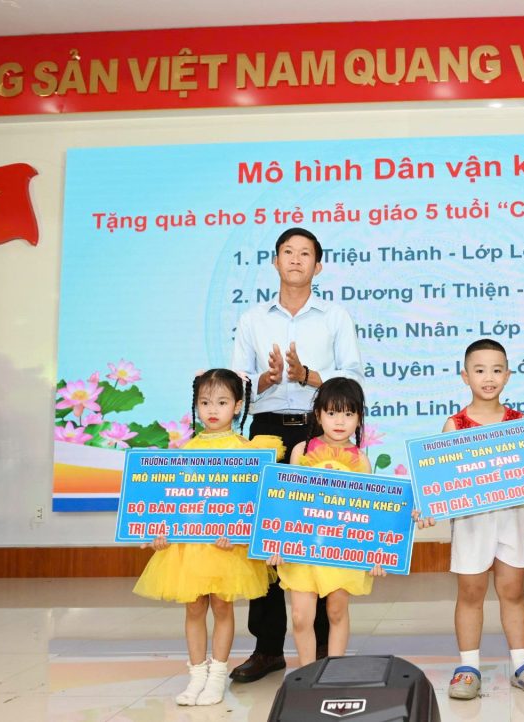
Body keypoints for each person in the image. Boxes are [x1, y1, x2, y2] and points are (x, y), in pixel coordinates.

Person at [230, 226, 362, 682]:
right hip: (267, 430)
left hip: (318, 429)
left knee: (321, 533)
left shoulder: (335, 317)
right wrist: (262, 382)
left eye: (305, 253)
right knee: (267, 536)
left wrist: (308, 376)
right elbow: (235, 383)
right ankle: (267, 648)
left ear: (317, 266)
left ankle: (322, 647)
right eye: (288, 252)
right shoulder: (252, 319)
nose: (296, 259)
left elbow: (353, 377)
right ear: (275, 261)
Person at [416, 339, 524, 700]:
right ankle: (469, 668)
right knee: (470, 593)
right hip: (470, 523)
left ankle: (522, 664)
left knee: (513, 591)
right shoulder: (455, 425)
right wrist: (428, 507)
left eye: (496, 370)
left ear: (508, 375)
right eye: (480, 370)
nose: (489, 377)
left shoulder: (521, 424)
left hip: (512, 520)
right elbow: (440, 482)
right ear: (465, 376)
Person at [133, 369, 284, 706]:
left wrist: (241, 535)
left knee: (222, 605)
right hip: (191, 546)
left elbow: (254, 506)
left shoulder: (247, 451)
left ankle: (217, 676)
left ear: (238, 405)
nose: (212, 409)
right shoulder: (187, 449)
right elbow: (173, 499)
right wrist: (161, 532)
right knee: (194, 606)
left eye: (222, 402)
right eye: (205, 402)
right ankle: (196, 675)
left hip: (225, 547)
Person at [267, 377, 384, 665]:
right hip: (302, 548)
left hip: (340, 550)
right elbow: (288, 502)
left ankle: (334, 671)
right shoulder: (302, 452)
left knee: (336, 611)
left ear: (359, 418)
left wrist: (377, 553)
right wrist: (277, 542)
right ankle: (306, 675)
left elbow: (369, 513)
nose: (340, 421)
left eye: (348, 413)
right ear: (318, 415)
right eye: (332, 413)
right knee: (300, 616)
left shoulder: (361, 461)